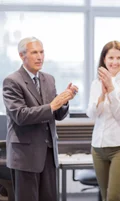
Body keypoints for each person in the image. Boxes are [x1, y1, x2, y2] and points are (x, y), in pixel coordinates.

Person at [2, 37, 78, 201]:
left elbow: (57, 114)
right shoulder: (12, 81)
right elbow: (20, 115)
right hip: (25, 156)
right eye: (34, 52)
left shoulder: (49, 79)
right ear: (22, 56)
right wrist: (52, 106)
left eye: (42, 52)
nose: (40, 57)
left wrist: (64, 101)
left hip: (49, 155)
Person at [86, 41, 120, 201]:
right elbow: (92, 114)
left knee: (114, 197)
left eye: (118, 57)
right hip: (98, 147)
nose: (114, 62)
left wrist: (111, 90)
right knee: (104, 195)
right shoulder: (96, 83)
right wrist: (101, 95)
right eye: (110, 57)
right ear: (104, 59)